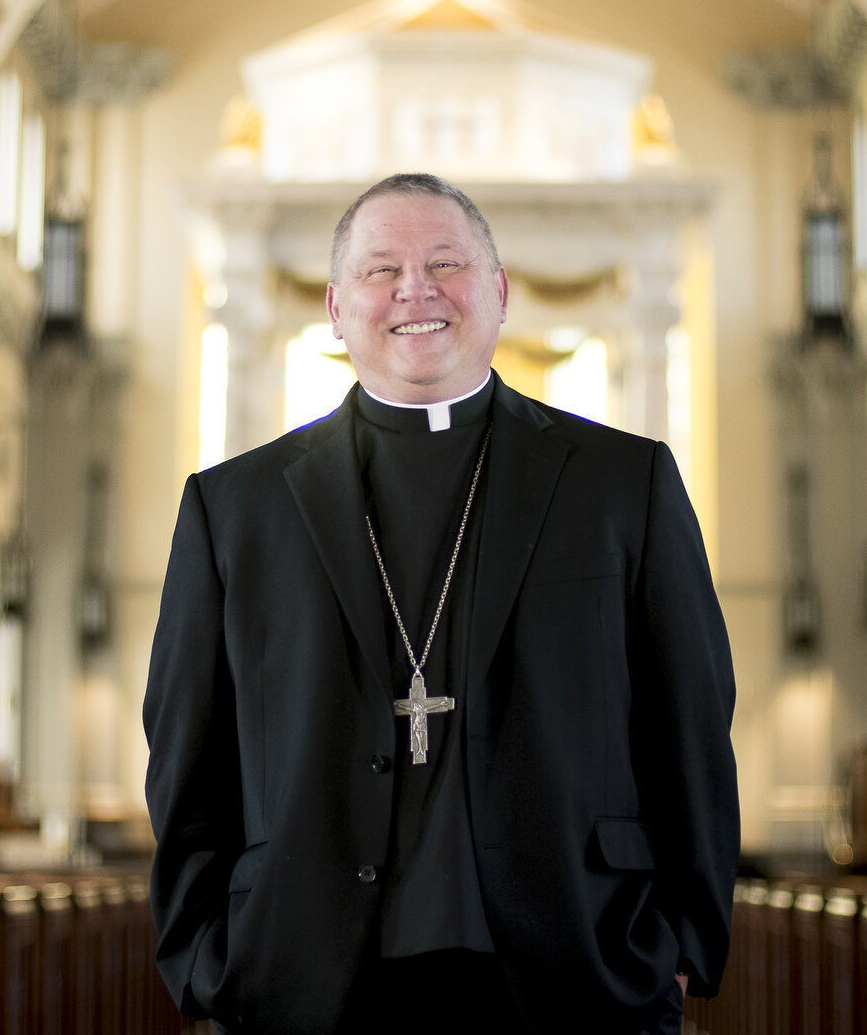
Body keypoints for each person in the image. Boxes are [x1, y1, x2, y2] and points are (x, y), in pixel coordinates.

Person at [144, 173, 741, 1034]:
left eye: (446, 263)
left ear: (498, 294)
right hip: (307, 978)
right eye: (381, 270)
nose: (414, 290)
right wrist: (205, 958)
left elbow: (689, 720)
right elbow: (184, 753)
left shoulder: (622, 484)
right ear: (337, 308)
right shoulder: (234, 509)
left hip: (580, 970)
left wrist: (683, 942)